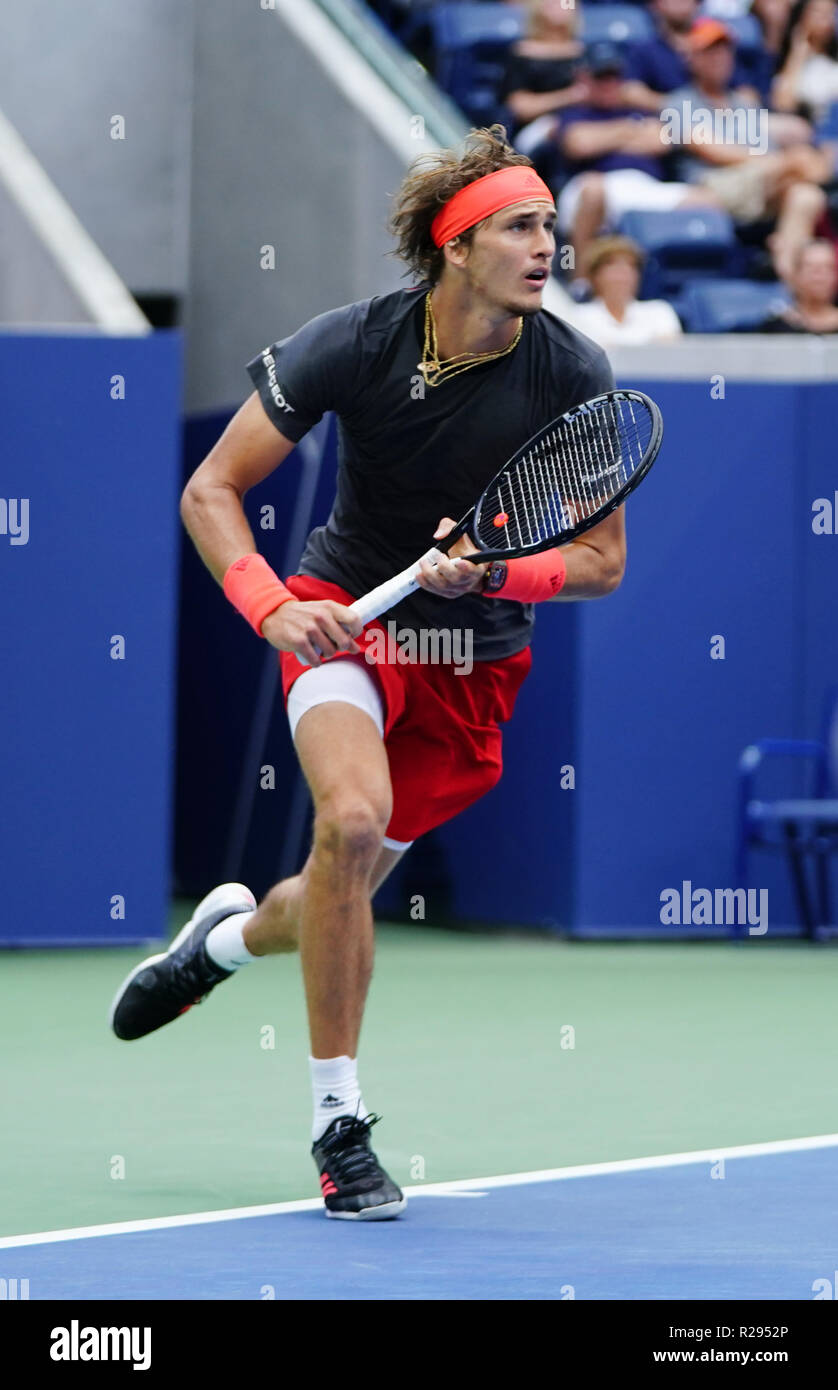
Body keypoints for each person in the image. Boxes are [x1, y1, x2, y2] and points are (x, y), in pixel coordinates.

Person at [108, 127, 627, 1221]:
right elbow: (211, 490)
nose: (548, 247)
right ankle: (338, 1127)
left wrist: (496, 568)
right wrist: (277, 605)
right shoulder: (350, 343)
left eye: (547, 226)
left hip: (475, 665)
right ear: (455, 247)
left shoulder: (573, 369)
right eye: (521, 228)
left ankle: (227, 942)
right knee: (347, 826)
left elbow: (600, 563)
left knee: (324, 895)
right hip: (349, 624)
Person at [667, 17, 832, 278]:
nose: (719, 58)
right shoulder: (679, 102)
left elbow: (770, 151)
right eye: (709, 51)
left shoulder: (744, 105)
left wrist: (778, 164)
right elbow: (710, 150)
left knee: (806, 196)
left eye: (723, 51)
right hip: (713, 184)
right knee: (800, 161)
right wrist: (778, 163)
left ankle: (787, 277)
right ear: (693, 59)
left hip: (762, 182)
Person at [555, 41, 721, 275]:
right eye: (601, 77)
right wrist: (631, 130)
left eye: (614, 76)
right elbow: (580, 144)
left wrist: (605, 138)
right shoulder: (574, 112)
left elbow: (659, 141)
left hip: (644, 186)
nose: (609, 84)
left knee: (708, 200)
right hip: (592, 186)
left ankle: (679, 282)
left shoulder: (638, 110)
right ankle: (581, 281)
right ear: (585, 79)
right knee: (593, 190)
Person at [499, 0, 587, 153]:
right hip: (540, 126)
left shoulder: (587, 52)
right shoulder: (522, 53)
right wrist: (569, 96)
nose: (560, 5)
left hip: (584, 122)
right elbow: (521, 107)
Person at [566, 236, 684, 346]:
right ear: (595, 275)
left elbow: (670, 357)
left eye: (631, 267)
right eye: (613, 265)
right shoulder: (578, 316)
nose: (624, 273)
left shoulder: (660, 311)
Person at [772, 0, 838, 121]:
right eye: (818, 11)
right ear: (802, 15)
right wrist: (798, 50)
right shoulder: (784, 57)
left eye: (831, 13)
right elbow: (783, 103)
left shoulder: (834, 63)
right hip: (801, 126)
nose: (826, 18)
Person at [754, 235, 838, 328]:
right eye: (812, 270)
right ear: (796, 274)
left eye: (827, 268)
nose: (819, 278)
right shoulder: (776, 324)